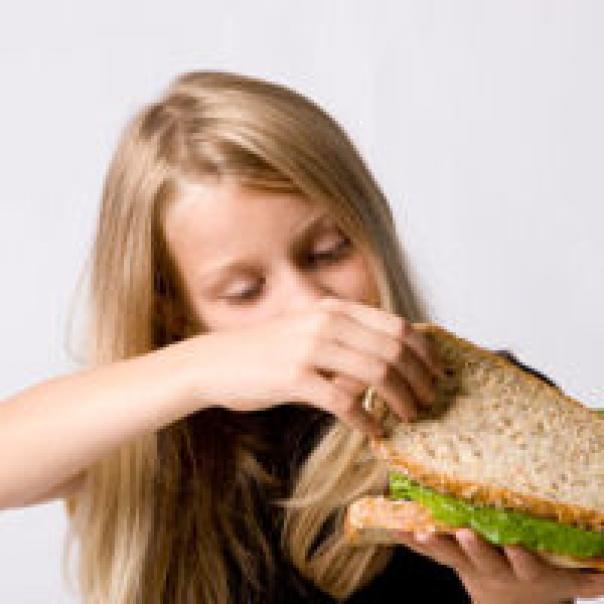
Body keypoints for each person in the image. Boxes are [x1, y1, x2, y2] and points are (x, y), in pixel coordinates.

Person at [1, 70, 601, 604]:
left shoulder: (482, 408)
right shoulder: (160, 435)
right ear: (176, 313)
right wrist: (201, 369)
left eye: (329, 251)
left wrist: (516, 599)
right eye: (244, 291)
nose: (310, 307)